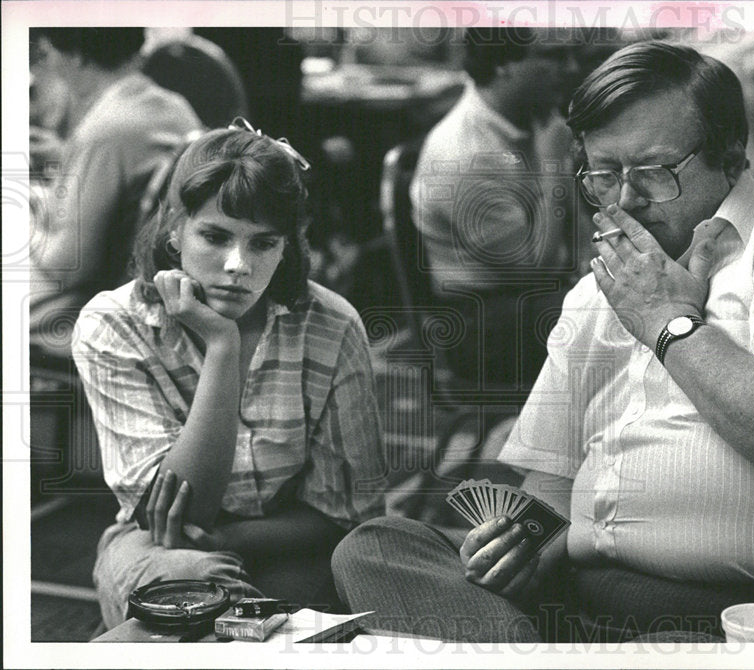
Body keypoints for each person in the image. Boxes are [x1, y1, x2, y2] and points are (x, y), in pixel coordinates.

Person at [331, 41, 754, 642]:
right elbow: (550, 487)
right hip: (582, 605)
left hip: (740, 617)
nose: (623, 201)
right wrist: (524, 546)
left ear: (731, 156)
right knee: (378, 547)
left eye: (652, 172)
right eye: (603, 174)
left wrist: (670, 323)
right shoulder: (598, 291)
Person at [71, 122, 386, 629]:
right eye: (215, 236)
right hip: (159, 546)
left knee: (345, 589)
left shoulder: (332, 325)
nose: (237, 265)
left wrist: (234, 540)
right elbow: (177, 519)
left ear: (288, 247)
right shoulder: (114, 324)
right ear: (175, 230)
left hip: (293, 544)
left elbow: (344, 517)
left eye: (263, 243)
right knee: (193, 584)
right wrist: (222, 347)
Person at [410, 27, 584, 391]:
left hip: (529, 301)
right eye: (554, 56)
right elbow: (537, 269)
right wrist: (555, 169)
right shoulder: (466, 155)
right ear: (504, 62)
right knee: (616, 326)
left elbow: (581, 236)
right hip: (483, 327)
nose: (570, 68)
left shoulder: (535, 121)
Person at [30, 28, 203, 360]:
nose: (48, 66)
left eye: (48, 54)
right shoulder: (171, 105)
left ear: (76, 57)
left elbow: (68, 267)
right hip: (154, 290)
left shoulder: (104, 130)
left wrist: (25, 227)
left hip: (98, 303)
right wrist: (67, 156)